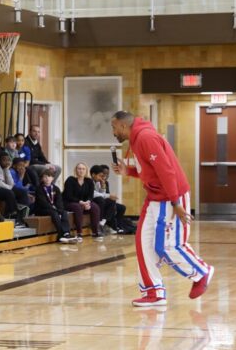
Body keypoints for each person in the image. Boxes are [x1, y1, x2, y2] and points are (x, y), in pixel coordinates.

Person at [111, 111, 213, 307]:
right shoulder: (136, 138)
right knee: (143, 243)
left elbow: (166, 171)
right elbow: (150, 171)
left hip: (170, 196)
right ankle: (154, 292)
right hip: (155, 197)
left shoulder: (146, 138)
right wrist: (128, 171)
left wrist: (177, 203)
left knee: (167, 246)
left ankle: (202, 272)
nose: (113, 132)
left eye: (114, 128)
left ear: (123, 126)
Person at [32, 169, 74, 244]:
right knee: (54, 213)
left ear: (52, 178)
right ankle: (61, 234)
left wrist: (60, 209)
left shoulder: (56, 188)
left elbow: (59, 201)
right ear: (42, 178)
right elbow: (43, 202)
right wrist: (55, 209)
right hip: (42, 209)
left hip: (54, 209)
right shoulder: (39, 189)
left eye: (49, 176)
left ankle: (66, 233)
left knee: (64, 212)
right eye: (45, 177)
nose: (47, 178)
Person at [63, 162, 103, 240]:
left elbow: (90, 196)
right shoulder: (70, 180)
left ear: (86, 171)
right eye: (79, 169)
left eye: (83, 169)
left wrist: (88, 202)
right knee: (78, 207)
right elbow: (68, 196)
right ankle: (79, 232)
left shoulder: (89, 181)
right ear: (76, 170)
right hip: (69, 202)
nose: (81, 171)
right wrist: (81, 202)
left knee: (95, 207)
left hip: (84, 202)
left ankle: (95, 231)